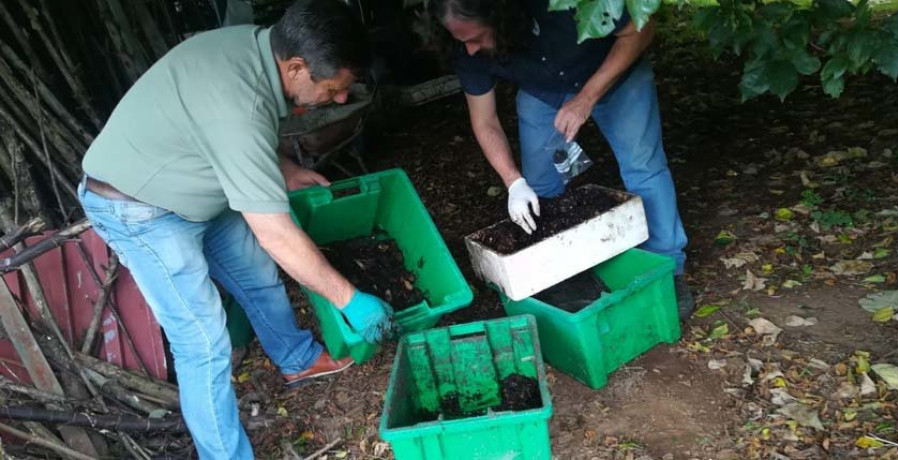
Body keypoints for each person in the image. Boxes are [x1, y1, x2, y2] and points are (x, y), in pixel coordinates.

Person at [78, 1, 393, 458]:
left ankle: (297, 360)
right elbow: (276, 231)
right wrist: (351, 300)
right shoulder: (240, 99)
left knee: (257, 274)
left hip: (196, 186)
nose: (342, 99)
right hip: (138, 207)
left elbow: (226, 134)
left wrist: (281, 169)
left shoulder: (256, 51)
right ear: (298, 67)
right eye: (334, 89)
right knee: (203, 341)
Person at [428, 0, 694, 319]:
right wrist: (513, 182)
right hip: (545, 92)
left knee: (643, 168)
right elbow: (485, 121)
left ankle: (667, 267)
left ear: (502, 17)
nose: (471, 50)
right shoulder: (465, 50)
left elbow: (640, 30)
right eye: (461, 41)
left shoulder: (561, 5)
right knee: (538, 185)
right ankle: (563, 272)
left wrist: (586, 99)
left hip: (613, 74)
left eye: (477, 38)